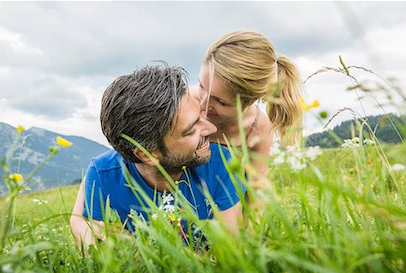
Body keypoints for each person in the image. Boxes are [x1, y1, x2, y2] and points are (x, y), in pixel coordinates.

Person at [70, 64, 243, 250]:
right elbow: (87, 228)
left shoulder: (220, 163)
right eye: (191, 130)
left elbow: (230, 249)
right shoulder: (104, 175)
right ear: (147, 154)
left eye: (200, 116)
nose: (212, 129)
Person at [197, 30, 303, 178]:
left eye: (221, 102)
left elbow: (255, 190)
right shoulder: (183, 104)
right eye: (201, 86)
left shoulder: (257, 127)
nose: (202, 104)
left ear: (251, 101)